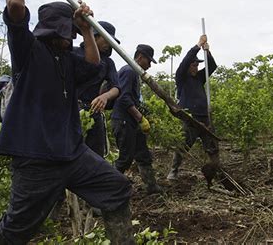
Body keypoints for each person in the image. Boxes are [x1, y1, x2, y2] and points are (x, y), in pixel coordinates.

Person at [0, 0, 134, 244]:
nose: (68, 39)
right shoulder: (28, 51)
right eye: (66, 33)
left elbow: (92, 63)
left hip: (72, 154)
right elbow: (16, 6)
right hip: (35, 160)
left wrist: (87, 29)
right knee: (14, 229)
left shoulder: (70, 61)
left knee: (117, 188)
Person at [110, 44, 163, 195]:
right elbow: (124, 98)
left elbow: (131, 99)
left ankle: (151, 187)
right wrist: (140, 118)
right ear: (140, 57)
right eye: (149, 61)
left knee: (143, 155)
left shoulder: (132, 72)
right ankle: (108, 191)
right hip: (124, 122)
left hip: (131, 122)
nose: (150, 65)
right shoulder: (129, 71)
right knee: (124, 160)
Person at [167, 34, 220, 180]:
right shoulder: (181, 77)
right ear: (188, 66)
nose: (196, 67)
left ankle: (216, 171)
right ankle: (174, 170)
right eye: (194, 65)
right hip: (190, 118)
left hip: (204, 117)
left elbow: (212, 66)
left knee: (212, 146)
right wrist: (198, 45)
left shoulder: (199, 78)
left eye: (197, 65)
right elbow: (184, 61)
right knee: (183, 146)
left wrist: (207, 51)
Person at [75, 21, 120, 157]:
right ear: (95, 36)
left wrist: (105, 96)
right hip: (70, 110)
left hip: (92, 111)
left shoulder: (107, 62)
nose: (108, 44)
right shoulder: (74, 53)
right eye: (106, 39)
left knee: (95, 155)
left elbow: (116, 87)